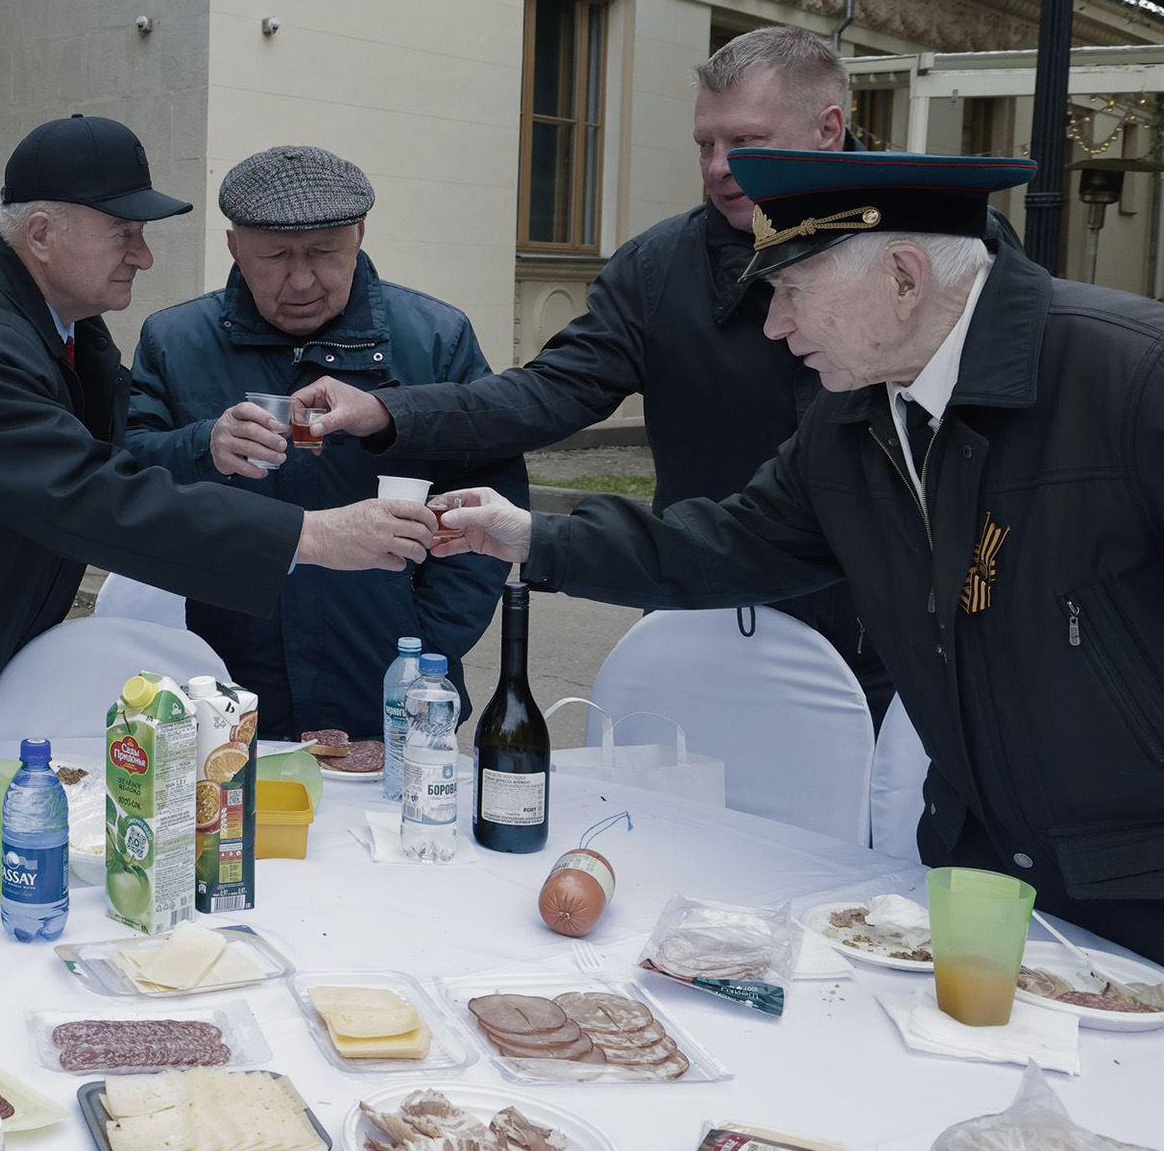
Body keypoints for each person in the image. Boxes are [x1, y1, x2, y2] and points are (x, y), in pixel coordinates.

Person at [434, 146, 1164, 963]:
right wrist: (535, 535)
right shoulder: (853, 418)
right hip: (978, 875)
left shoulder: (1134, 379)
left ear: (903, 278)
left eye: (790, 293)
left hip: (1141, 889)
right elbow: (730, 544)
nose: (775, 327)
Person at [0, 114, 443, 751]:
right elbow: (95, 495)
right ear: (44, 235)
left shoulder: (64, 329)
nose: (143, 256)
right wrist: (315, 536)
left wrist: (203, 451)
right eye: (124, 233)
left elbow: (123, 463)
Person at [299, 27, 900, 721]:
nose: (717, 168)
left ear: (829, 128)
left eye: (747, 143)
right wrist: (388, 412)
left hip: (891, 628)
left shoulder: (931, 240)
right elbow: (549, 391)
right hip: (705, 605)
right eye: (705, 145)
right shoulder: (658, 267)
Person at [124, 146, 526, 737]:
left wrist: (425, 638)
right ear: (234, 246)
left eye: (323, 253)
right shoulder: (174, 340)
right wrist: (202, 446)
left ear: (359, 236)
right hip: (224, 677)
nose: (302, 280)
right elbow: (123, 483)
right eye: (276, 257)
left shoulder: (437, 339)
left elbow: (490, 501)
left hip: (392, 677)